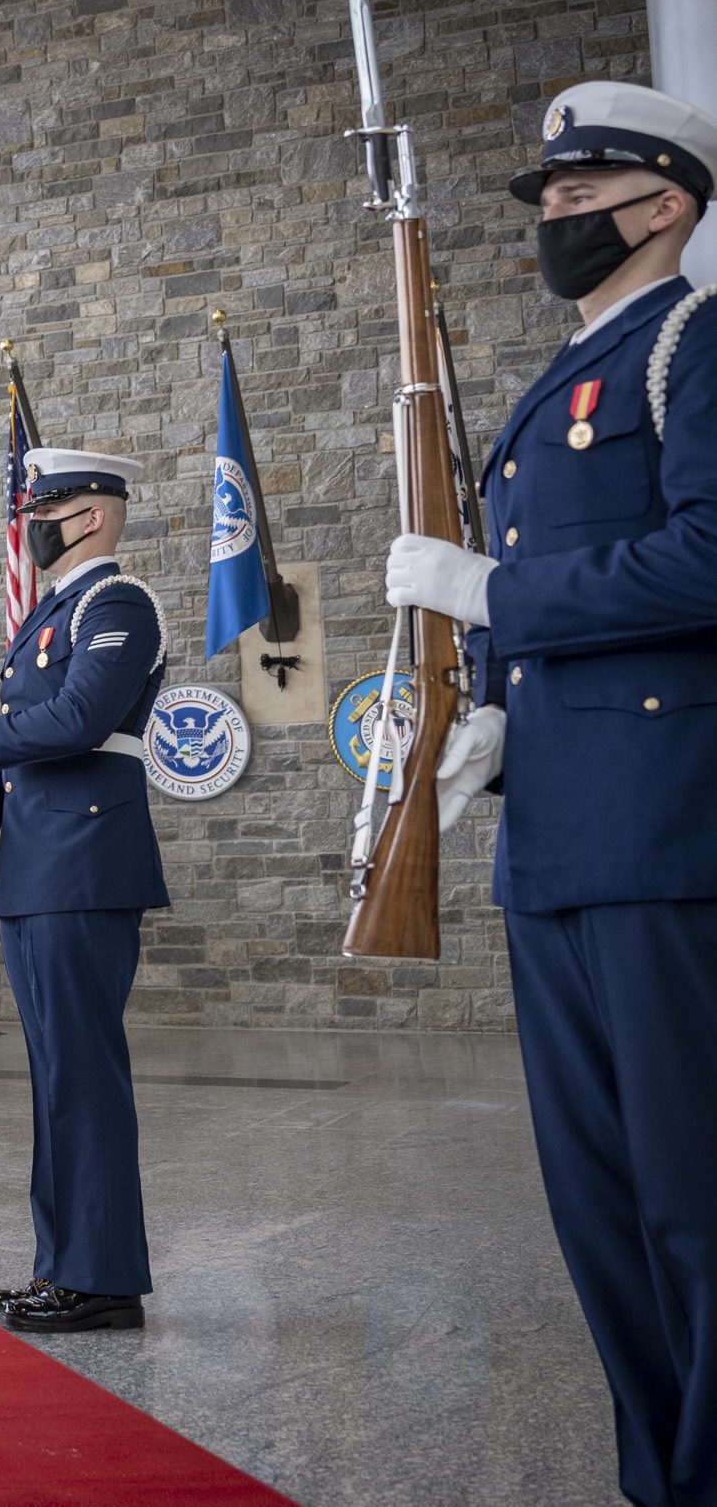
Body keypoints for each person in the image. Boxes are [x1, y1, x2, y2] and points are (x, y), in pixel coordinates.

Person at [384, 82, 717, 1506]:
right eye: (550, 199)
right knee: (598, 1199)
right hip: (560, 836)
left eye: (585, 196)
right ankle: (662, 1473)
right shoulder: (569, 366)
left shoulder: (694, 345)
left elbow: (707, 558)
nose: (556, 216)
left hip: (663, 826)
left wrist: (497, 591)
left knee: (693, 1191)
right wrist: (504, 721)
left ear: (667, 204)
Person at [0, 449, 169, 1334]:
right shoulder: (51, 617)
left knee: (83, 1074)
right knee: (54, 1075)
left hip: (84, 860)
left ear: (94, 515)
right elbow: (34, 739)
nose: (29, 522)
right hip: (38, 864)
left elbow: (78, 719)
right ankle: (63, 1264)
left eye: (47, 505)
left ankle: (101, 1275)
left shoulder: (119, 605)